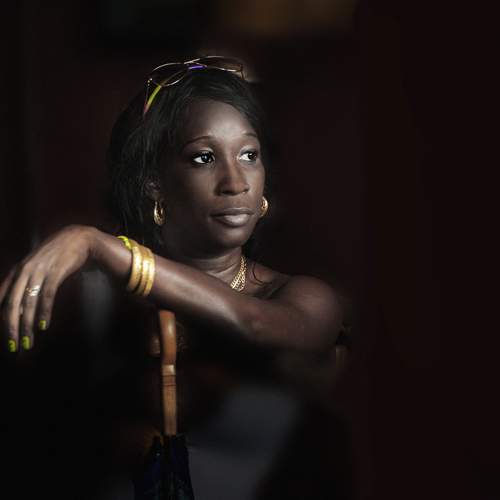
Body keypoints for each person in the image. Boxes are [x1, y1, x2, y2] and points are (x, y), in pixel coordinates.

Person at [0, 57, 347, 499]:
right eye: (204, 158)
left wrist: (97, 244)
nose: (235, 182)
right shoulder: (99, 307)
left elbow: (254, 324)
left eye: (249, 155)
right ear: (154, 184)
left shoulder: (302, 297)